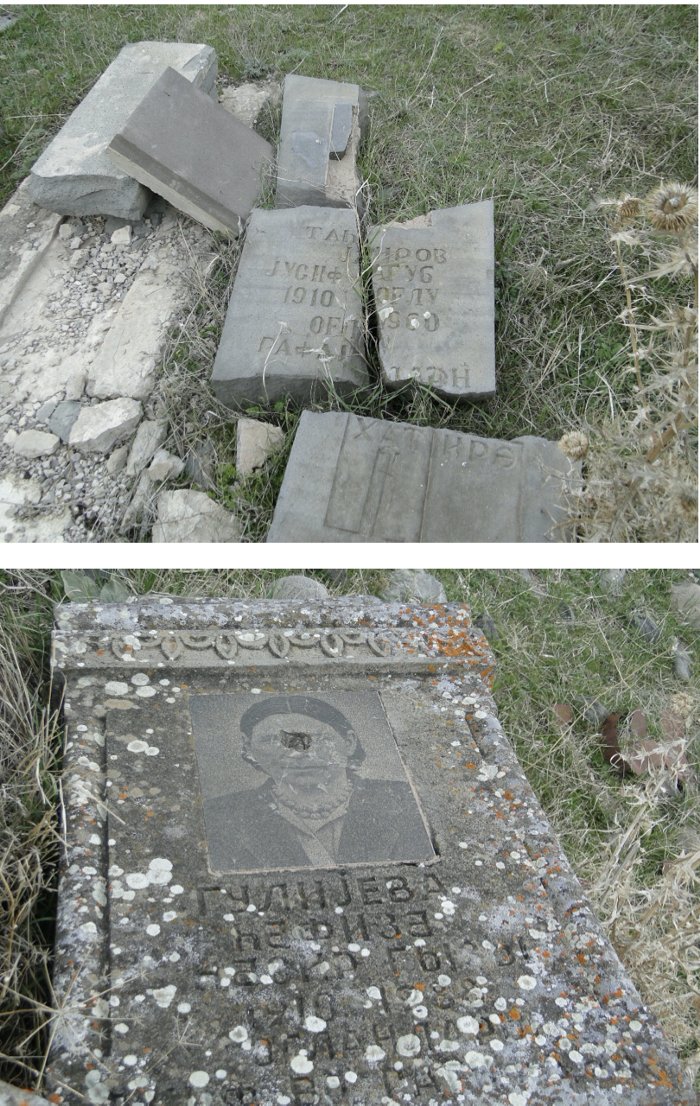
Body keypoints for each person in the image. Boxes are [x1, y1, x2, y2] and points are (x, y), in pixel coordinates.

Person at [202, 694, 434, 872]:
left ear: (349, 742)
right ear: (248, 749)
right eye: (272, 739)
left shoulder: (407, 801)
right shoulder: (219, 816)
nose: (298, 752)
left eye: (318, 738)